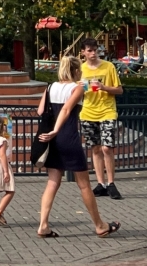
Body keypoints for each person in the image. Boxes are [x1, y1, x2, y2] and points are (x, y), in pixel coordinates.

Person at [35, 55, 119, 239]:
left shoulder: (50, 87)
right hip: (67, 137)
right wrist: (57, 129)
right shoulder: (78, 87)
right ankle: (100, 225)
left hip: (52, 140)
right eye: (79, 70)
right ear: (75, 71)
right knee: (84, 185)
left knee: (52, 182)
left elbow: (40, 111)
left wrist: (51, 130)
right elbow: (66, 109)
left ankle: (43, 225)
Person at [79, 37, 124, 200]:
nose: (92, 53)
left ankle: (111, 183)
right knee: (96, 148)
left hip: (107, 111)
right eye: (89, 50)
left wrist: (104, 87)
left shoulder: (108, 67)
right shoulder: (81, 69)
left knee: (107, 147)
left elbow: (120, 90)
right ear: (83, 52)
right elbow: (76, 90)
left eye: (95, 50)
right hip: (88, 112)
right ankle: (101, 184)